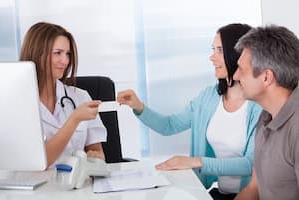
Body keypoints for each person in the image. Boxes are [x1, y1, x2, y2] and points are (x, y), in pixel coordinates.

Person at [117, 23, 262, 200]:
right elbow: (169, 125)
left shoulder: (257, 105)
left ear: (239, 55)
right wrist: (138, 106)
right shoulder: (208, 98)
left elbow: (250, 164)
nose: (212, 57)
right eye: (213, 49)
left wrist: (195, 162)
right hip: (221, 194)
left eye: (219, 50)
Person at [20, 22, 107, 167]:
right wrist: (73, 120)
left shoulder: (80, 97)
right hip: (36, 186)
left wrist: (96, 158)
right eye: (57, 53)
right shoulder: (17, 103)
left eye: (68, 54)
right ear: (37, 53)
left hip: (75, 185)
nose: (65, 61)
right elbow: (39, 163)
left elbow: (96, 150)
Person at [233, 25, 299, 199]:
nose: (235, 77)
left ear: (266, 77)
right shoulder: (266, 116)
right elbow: (254, 188)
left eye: (241, 69)